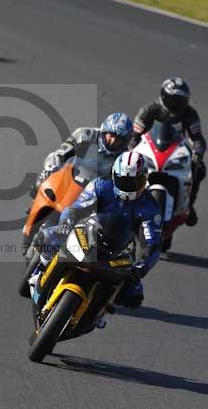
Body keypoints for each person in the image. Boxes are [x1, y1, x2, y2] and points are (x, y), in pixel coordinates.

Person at [31, 151, 162, 312]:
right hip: (89, 231)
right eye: (125, 181)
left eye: (136, 181)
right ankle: (39, 272)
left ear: (145, 180)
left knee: (133, 297)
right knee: (46, 238)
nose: (131, 186)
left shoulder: (150, 207)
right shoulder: (101, 185)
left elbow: (153, 244)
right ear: (115, 176)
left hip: (121, 249)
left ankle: (99, 312)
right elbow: (75, 209)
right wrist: (65, 226)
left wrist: (141, 268)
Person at [130, 78, 206, 226]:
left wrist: (198, 152)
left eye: (183, 100)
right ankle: (121, 197)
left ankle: (189, 205)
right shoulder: (149, 110)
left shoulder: (189, 113)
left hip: (176, 150)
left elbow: (197, 138)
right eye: (176, 100)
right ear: (165, 97)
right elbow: (134, 136)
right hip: (149, 149)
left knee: (199, 169)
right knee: (125, 165)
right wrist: (130, 150)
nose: (179, 104)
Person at [30, 112, 133, 198]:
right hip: (66, 178)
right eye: (111, 135)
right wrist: (51, 168)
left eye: (119, 139)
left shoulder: (125, 158)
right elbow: (61, 153)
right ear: (105, 130)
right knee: (41, 182)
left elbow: (121, 184)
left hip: (90, 196)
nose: (113, 141)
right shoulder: (86, 135)